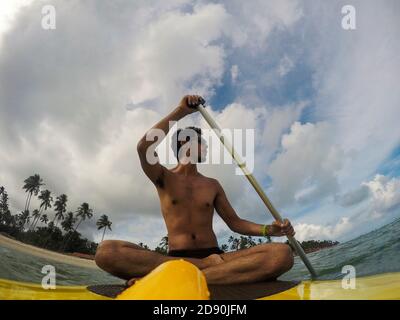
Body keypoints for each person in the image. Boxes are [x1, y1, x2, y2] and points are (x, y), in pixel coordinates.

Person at [95, 95, 295, 285]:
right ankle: (207, 271)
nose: (206, 148)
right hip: (178, 259)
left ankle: (179, 278)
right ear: (185, 141)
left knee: (281, 254)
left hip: (216, 255)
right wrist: (181, 111)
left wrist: (268, 229)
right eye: (202, 143)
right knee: (106, 251)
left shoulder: (212, 184)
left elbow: (235, 223)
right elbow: (144, 147)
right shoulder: (164, 177)